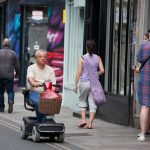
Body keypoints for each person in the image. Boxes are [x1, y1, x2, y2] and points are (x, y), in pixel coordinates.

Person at [74, 40, 104, 129]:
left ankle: (83, 120)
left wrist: (75, 84)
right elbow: (102, 71)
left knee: (82, 100)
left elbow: (79, 72)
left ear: (86, 48)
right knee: (92, 103)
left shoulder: (82, 58)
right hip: (94, 82)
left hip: (84, 82)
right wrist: (95, 74)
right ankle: (90, 123)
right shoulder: (98, 58)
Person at [27, 49, 56, 123]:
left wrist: (51, 92)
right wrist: (35, 83)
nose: (43, 58)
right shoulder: (31, 68)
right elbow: (31, 80)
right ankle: (41, 122)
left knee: (56, 101)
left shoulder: (51, 70)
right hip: (34, 92)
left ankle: (49, 120)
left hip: (47, 93)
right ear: (36, 58)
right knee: (39, 102)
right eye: (40, 57)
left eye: (44, 57)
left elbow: (54, 85)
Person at [133, 31, 150, 142]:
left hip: (146, 79)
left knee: (145, 106)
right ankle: (147, 130)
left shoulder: (146, 45)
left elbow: (140, 58)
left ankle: (143, 133)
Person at [0, 38, 20, 113]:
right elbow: (17, 66)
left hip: (0, 75)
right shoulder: (13, 53)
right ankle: (10, 101)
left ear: (3, 44)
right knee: (10, 91)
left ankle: (1, 107)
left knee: (0, 92)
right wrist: (18, 74)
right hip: (9, 76)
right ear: (9, 44)